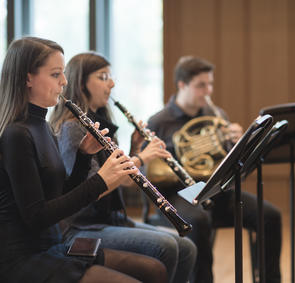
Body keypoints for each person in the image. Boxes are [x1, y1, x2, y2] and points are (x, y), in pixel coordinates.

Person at [0, 37, 169, 283]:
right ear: (28, 78)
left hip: (51, 245)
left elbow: (60, 195)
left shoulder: (43, 126)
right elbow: (37, 217)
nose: (64, 82)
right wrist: (102, 180)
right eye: (56, 74)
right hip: (23, 258)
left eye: (64, 74)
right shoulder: (16, 134)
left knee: (155, 270)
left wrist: (83, 156)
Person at [49, 51, 197, 283]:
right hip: (85, 226)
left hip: (112, 219)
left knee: (186, 247)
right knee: (167, 246)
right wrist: (142, 159)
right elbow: (91, 191)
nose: (112, 83)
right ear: (81, 83)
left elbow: (127, 181)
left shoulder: (100, 122)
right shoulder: (72, 128)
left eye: (111, 75)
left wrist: (136, 149)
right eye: (103, 76)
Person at [146, 55, 282, 283]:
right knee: (199, 221)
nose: (208, 91)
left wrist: (241, 143)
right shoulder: (159, 122)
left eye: (210, 84)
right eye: (201, 85)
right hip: (177, 194)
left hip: (215, 191)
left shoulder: (216, 116)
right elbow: (150, 171)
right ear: (182, 85)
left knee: (269, 215)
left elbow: (229, 164)